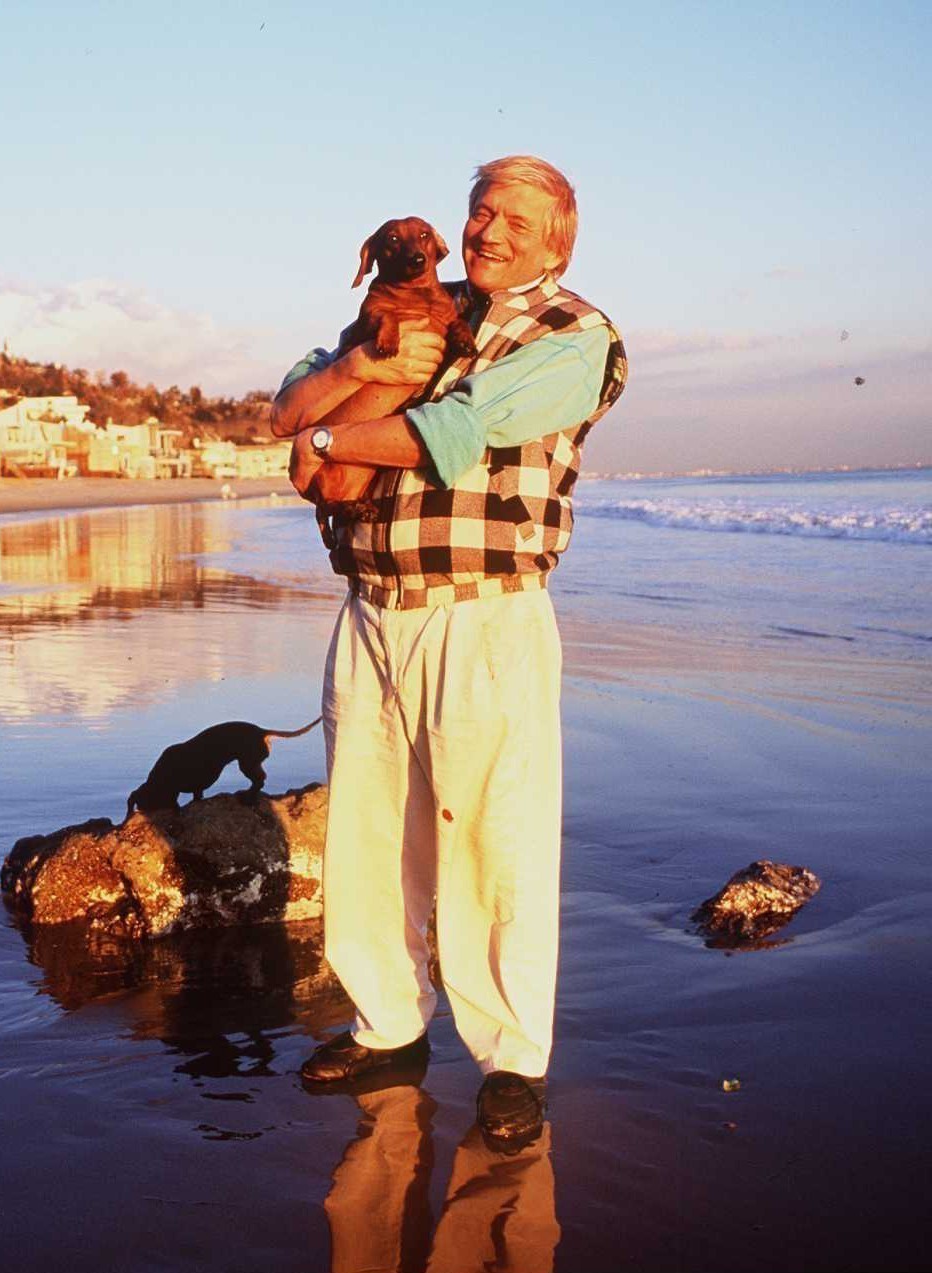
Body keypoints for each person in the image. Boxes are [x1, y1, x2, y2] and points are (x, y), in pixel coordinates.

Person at [271, 155, 627, 1151]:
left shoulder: (577, 335)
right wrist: (342, 383)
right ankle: (386, 1026)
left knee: (494, 839)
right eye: (479, 211)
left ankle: (513, 1062)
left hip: (486, 615)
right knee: (371, 833)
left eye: (516, 218)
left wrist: (330, 444)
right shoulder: (415, 305)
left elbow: (460, 430)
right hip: (373, 610)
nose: (488, 231)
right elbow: (293, 389)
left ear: (558, 240)